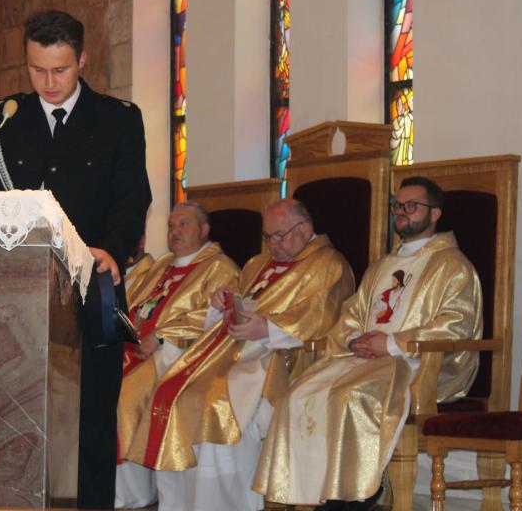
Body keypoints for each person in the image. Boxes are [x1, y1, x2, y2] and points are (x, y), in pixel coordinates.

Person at [0, 10, 152, 509]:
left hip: (91, 286)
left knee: (92, 421)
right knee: (16, 418)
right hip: (17, 293)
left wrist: (113, 247)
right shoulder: (5, 119)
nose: (48, 83)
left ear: (83, 60)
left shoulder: (118, 119)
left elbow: (132, 197)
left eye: (60, 70)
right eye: (37, 70)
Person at [253, 177, 482, 510]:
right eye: (398, 205)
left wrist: (390, 344)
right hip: (364, 361)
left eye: (411, 205)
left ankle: (358, 494)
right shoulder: (382, 266)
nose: (401, 212)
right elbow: (352, 313)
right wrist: (353, 338)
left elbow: (457, 325)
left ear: (435, 214)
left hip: (419, 366)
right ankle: (313, 496)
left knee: (348, 396)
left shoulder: (453, 266)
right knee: (299, 393)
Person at [119, 199, 354, 511]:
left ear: (305, 228)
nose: (272, 245)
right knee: (174, 391)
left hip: (281, 354)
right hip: (232, 350)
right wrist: (222, 304)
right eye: (267, 237)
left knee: (211, 401)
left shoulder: (329, 265)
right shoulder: (257, 264)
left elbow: (319, 318)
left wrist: (266, 328)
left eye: (279, 236)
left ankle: (224, 504)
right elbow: (239, 305)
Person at [115, 201, 239, 509]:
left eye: (183, 224)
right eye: (171, 225)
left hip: (176, 353)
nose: (175, 231)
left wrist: (161, 337)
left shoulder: (220, 268)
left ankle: (135, 493)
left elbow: (213, 318)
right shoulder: (163, 265)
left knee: (123, 396)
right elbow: (134, 302)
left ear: (204, 229)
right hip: (135, 348)